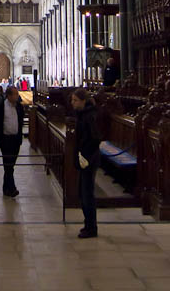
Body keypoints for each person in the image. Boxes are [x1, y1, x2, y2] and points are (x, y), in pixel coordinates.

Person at [71, 88, 101, 238]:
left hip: (89, 159)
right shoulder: (82, 114)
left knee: (87, 194)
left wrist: (85, 156)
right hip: (85, 157)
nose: (72, 103)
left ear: (83, 101)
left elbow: (95, 138)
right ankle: (88, 224)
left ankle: (91, 227)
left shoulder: (90, 116)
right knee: (82, 193)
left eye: (75, 100)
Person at [0, 85, 24, 198]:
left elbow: (20, 121)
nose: (17, 96)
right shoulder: (1, 107)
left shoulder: (19, 107)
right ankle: (12, 188)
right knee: (8, 164)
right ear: (9, 96)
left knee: (10, 165)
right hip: (5, 139)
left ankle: (6, 188)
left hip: (16, 139)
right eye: (15, 94)